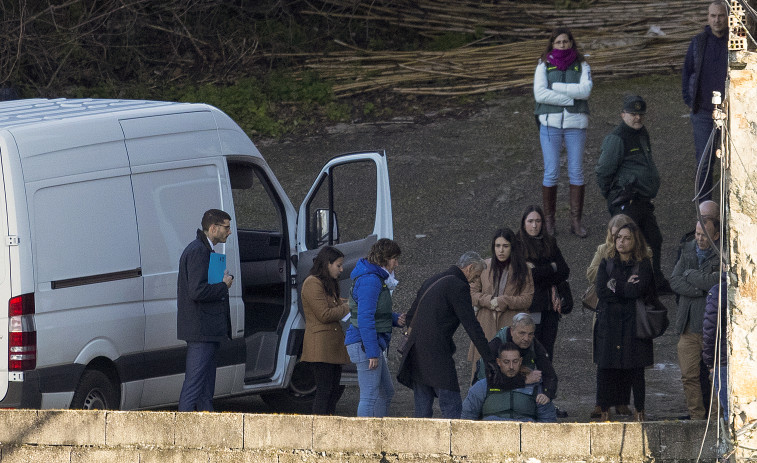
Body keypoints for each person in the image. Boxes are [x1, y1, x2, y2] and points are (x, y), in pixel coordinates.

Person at [396, 252, 497, 419]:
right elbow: (471, 325)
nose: (475, 280)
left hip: (416, 351)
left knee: (422, 409)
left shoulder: (433, 279)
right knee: (451, 405)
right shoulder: (458, 285)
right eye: (477, 275)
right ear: (469, 268)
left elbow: (410, 316)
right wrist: (489, 358)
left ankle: (420, 443)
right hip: (437, 354)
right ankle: (454, 443)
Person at [596, 94, 673, 295]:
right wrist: (612, 198)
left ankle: (653, 281)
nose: (637, 118)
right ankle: (623, 284)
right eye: (633, 114)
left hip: (642, 200)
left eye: (641, 114)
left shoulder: (641, 133)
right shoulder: (617, 138)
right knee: (625, 244)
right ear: (623, 115)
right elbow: (603, 171)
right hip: (626, 201)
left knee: (654, 239)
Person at [533, 27, 593, 237]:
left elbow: (585, 91)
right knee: (551, 172)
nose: (562, 45)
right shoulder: (544, 64)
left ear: (571, 43)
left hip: (576, 123)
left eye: (565, 42)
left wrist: (556, 87)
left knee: (576, 171)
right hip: (550, 123)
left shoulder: (582, 63)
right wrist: (569, 98)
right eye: (558, 42)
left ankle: (576, 222)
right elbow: (540, 94)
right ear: (552, 44)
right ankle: (549, 222)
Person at [594, 222, 655, 421]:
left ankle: (640, 410)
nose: (621, 241)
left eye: (627, 238)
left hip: (634, 323)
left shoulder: (644, 264)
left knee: (635, 368)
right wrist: (623, 288)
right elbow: (601, 292)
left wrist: (614, 285)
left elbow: (638, 290)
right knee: (605, 367)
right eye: (619, 237)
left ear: (635, 241)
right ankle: (604, 410)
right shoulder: (607, 262)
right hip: (609, 323)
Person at [177, 209, 234, 412]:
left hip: (208, 330)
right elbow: (197, 291)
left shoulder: (205, 250)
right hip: (201, 330)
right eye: (226, 227)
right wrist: (223, 286)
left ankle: (205, 435)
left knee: (205, 391)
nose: (229, 232)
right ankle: (181, 435)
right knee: (194, 387)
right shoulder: (198, 251)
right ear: (213, 228)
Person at [344, 238, 405, 417]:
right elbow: (365, 317)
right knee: (370, 396)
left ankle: (377, 435)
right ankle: (366, 442)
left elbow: (373, 311)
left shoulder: (373, 277)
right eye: (394, 259)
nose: (396, 264)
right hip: (365, 345)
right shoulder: (371, 280)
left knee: (386, 392)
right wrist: (372, 352)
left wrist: (394, 319)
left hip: (369, 344)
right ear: (384, 258)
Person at [586, 214, 637, 418]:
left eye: (623, 235)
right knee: (604, 359)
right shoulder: (602, 250)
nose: (619, 240)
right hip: (606, 311)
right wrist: (610, 270)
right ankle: (602, 402)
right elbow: (591, 274)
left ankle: (622, 401)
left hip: (628, 313)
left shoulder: (641, 253)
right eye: (615, 235)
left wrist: (613, 280)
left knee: (626, 359)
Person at [671, 219, 722, 420]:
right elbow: (674, 280)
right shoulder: (688, 249)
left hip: (712, 327)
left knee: (716, 376)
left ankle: (718, 418)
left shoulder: (721, 254)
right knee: (688, 375)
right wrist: (700, 290)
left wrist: (691, 275)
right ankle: (697, 418)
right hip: (688, 325)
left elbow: (715, 282)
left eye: (705, 235)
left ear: (716, 236)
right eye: (698, 234)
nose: (699, 239)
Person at [468, 228, 534, 381]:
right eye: (498, 246)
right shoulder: (484, 266)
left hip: (510, 324)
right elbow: (471, 293)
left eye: (505, 246)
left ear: (512, 247)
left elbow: (527, 299)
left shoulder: (523, 269)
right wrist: (489, 300)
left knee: (510, 368)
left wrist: (505, 301)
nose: (501, 250)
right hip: (485, 324)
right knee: (482, 369)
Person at [682, 1, 728, 201]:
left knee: (731, 162)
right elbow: (687, 72)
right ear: (708, 18)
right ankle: (705, 210)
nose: (717, 20)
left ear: (727, 18)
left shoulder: (735, 42)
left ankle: (731, 207)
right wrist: (690, 100)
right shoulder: (698, 43)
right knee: (704, 163)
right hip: (704, 113)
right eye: (713, 16)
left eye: (721, 15)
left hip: (731, 113)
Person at [301, 246, 350, 415]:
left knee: (333, 391)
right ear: (327, 264)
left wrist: (340, 305)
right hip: (320, 347)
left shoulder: (327, 283)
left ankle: (328, 427)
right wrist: (346, 307)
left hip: (332, 346)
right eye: (338, 265)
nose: (341, 269)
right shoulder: (312, 282)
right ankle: (319, 430)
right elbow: (324, 314)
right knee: (324, 391)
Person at [517, 205, 570, 360]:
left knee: (547, 353)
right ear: (524, 222)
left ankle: (545, 384)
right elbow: (526, 277)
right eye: (531, 221)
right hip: (531, 306)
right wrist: (551, 267)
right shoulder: (518, 245)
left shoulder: (550, 242)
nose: (534, 225)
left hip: (551, 308)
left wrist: (540, 271)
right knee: (530, 351)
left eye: (538, 221)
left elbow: (564, 271)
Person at [473, 313, 558, 407]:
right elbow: (487, 381)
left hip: (520, 392)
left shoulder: (533, 343)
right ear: (512, 331)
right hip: (492, 393)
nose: (526, 338)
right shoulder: (495, 345)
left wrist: (547, 395)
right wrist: (523, 380)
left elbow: (550, 375)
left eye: (530, 334)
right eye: (522, 333)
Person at [461, 342, 556, 422]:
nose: (511, 366)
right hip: (492, 434)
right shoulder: (483, 386)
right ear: (498, 362)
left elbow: (548, 420)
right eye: (506, 362)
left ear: (520, 361)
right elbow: (467, 417)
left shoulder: (535, 385)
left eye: (515, 361)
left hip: (526, 434)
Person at [702, 273, 728, 421]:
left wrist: (710, 361)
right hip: (726, 356)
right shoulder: (720, 291)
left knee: (730, 414)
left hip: (724, 359)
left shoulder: (720, 291)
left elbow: (710, 329)